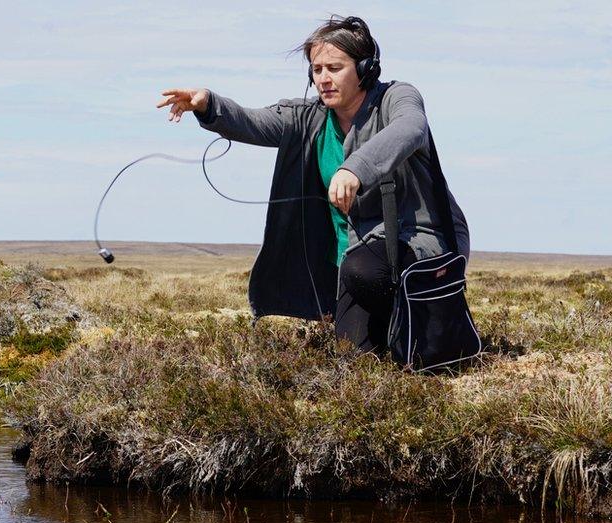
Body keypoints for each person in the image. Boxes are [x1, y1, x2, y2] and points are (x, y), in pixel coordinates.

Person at [156, 15, 470, 354]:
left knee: (366, 273)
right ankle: (389, 330)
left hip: (419, 238)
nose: (324, 79)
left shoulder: (397, 97)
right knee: (354, 358)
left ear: (365, 68)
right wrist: (208, 104)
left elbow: (411, 128)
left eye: (334, 68)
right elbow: (254, 121)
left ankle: (417, 324)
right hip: (355, 255)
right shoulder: (310, 118)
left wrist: (356, 169)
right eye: (317, 70)